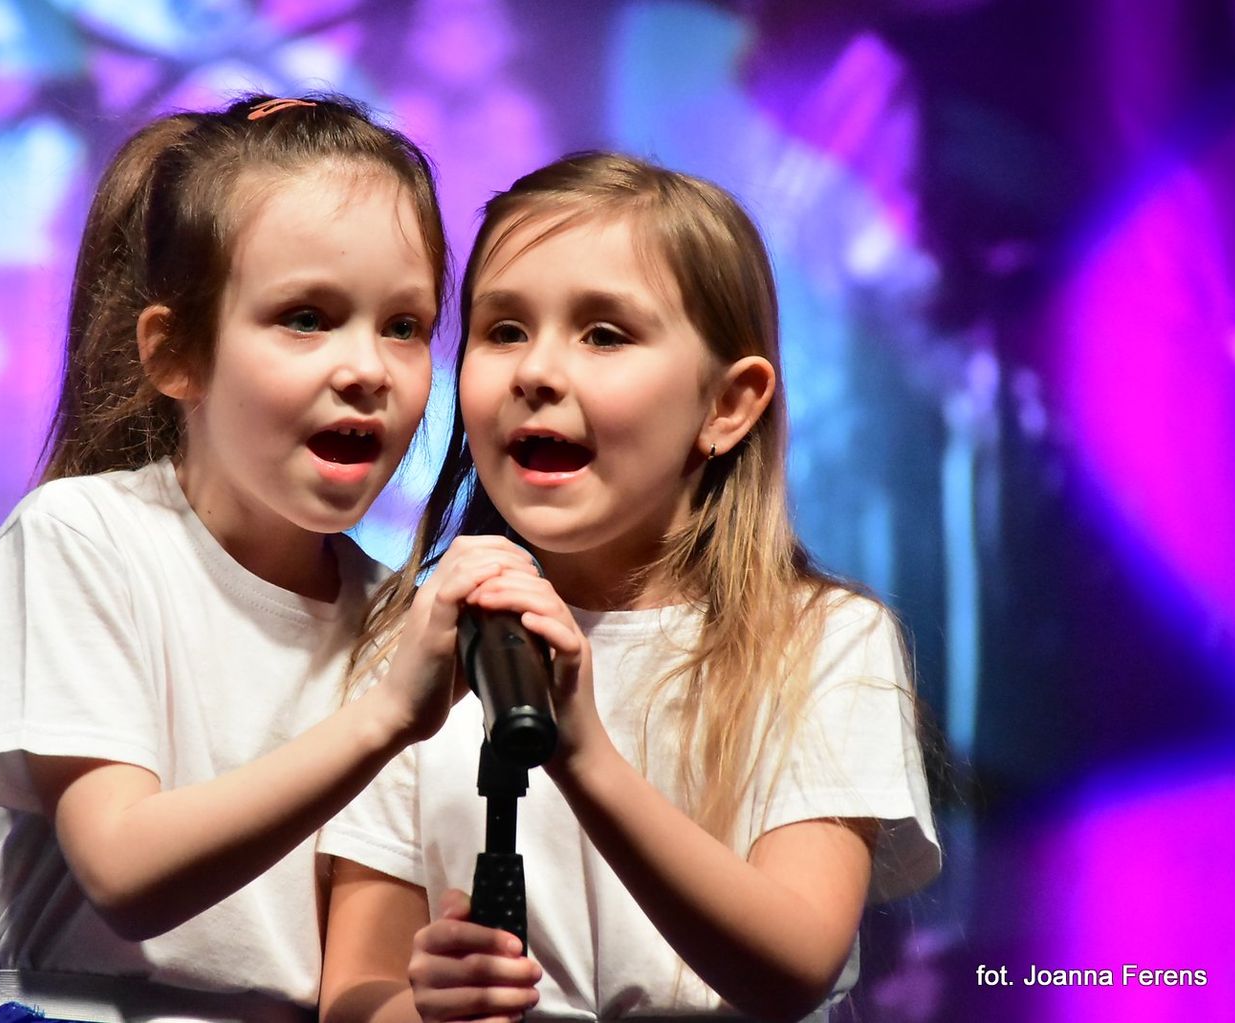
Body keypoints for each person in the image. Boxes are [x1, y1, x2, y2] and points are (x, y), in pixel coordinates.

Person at [318, 152, 941, 1023]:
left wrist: (582, 753)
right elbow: (354, 991)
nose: (536, 372)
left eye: (604, 334)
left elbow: (795, 966)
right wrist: (428, 1008)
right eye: (503, 330)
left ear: (728, 404)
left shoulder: (822, 639)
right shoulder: (416, 641)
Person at [0, 94, 522, 1023]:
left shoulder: (393, 623)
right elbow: (123, 870)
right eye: (307, 316)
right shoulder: (81, 535)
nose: (368, 368)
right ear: (177, 353)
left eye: (405, 325)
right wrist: (386, 716)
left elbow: (351, 990)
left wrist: (442, 1003)